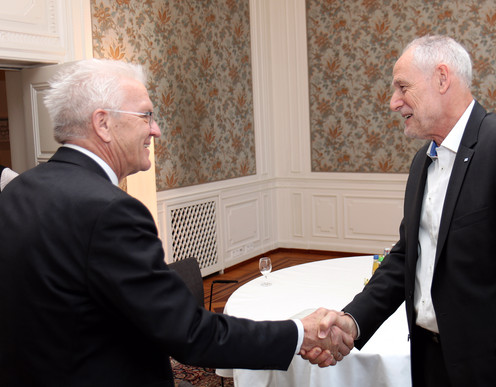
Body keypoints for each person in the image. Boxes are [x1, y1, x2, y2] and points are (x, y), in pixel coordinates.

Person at [0, 59, 353, 386]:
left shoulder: (19, 190)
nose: (155, 130)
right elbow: (189, 334)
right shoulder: (110, 210)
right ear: (103, 123)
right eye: (145, 116)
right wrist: (299, 332)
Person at [319, 35, 496, 386]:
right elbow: (406, 257)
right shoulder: (421, 162)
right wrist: (353, 320)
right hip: (430, 362)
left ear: (442, 78)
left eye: (402, 87)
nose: (393, 102)